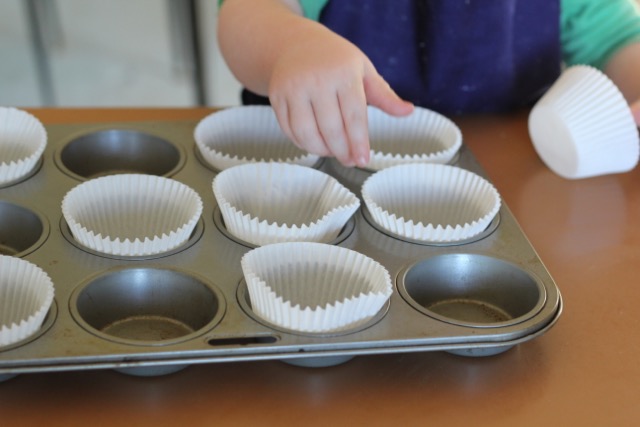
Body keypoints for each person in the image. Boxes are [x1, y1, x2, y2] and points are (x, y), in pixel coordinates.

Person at [217, 0, 640, 167]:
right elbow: (248, 15)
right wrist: (292, 46)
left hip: (511, 189)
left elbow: (616, 40)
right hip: (321, 173)